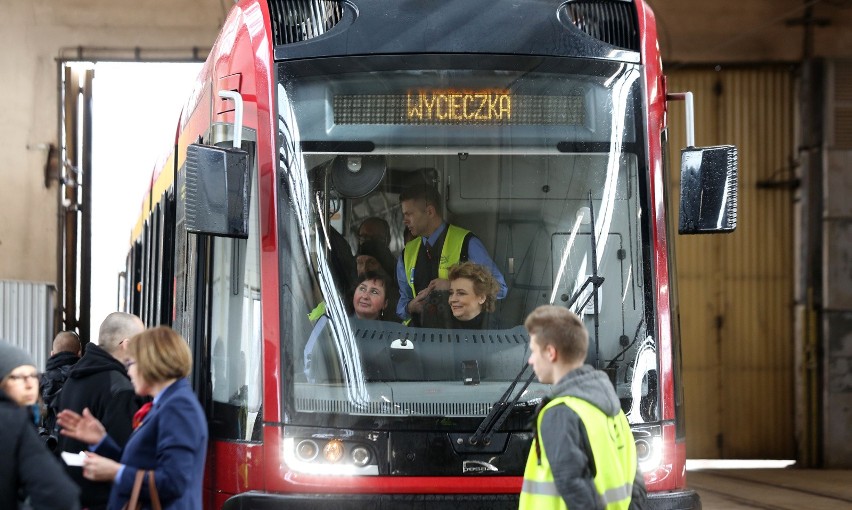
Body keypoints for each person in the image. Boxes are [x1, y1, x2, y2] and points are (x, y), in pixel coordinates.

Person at [57, 326, 208, 510]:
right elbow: (142, 462)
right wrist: (101, 441)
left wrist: (116, 473)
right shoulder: (168, 403)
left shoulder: (179, 407)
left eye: (130, 364)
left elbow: (173, 482)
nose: (128, 372)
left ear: (150, 363)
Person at [520, 305, 646, 510]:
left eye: (534, 351)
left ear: (551, 352)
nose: (530, 360)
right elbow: (636, 484)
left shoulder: (559, 413)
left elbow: (575, 488)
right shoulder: (613, 409)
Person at [56, 312, 145, 510]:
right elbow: (126, 455)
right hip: (105, 500)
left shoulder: (74, 377)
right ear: (128, 345)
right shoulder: (120, 388)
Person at [395, 184, 507, 326]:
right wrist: (410, 306)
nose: (404, 221)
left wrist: (452, 286)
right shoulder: (407, 253)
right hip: (419, 340)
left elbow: (500, 288)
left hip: (460, 339)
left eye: (409, 214)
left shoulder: (467, 242)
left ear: (429, 211)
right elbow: (402, 304)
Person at [0, 341, 80, 509]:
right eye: (18, 377)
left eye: (33, 376)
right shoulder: (13, 422)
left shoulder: (24, 417)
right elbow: (61, 495)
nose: (29, 384)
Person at [41, 331, 82, 444]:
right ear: (79, 354)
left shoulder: (39, 382)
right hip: (77, 447)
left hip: (45, 448)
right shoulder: (87, 381)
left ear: (52, 354)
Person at [447, 262, 500, 330]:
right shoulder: (439, 324)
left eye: (461, 293)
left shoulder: (496, 331)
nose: (452, 299)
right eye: (451, 293)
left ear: (481, 298)